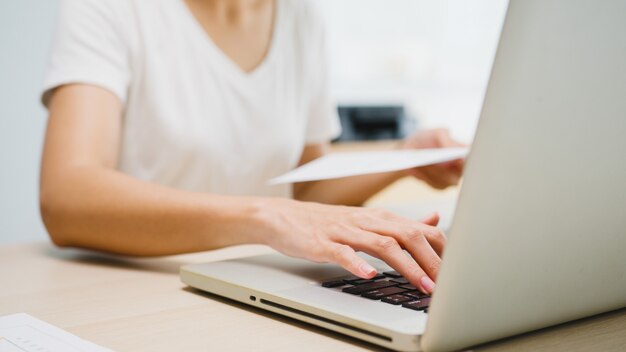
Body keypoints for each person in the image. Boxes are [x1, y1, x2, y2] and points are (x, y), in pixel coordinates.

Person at [39, 0, 464, 295]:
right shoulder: (113, 9)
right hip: (140, 283)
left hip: (254, 279)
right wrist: (265, 216)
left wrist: (403, 160)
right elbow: (67, 196)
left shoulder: (300, 15)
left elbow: (304, 189)